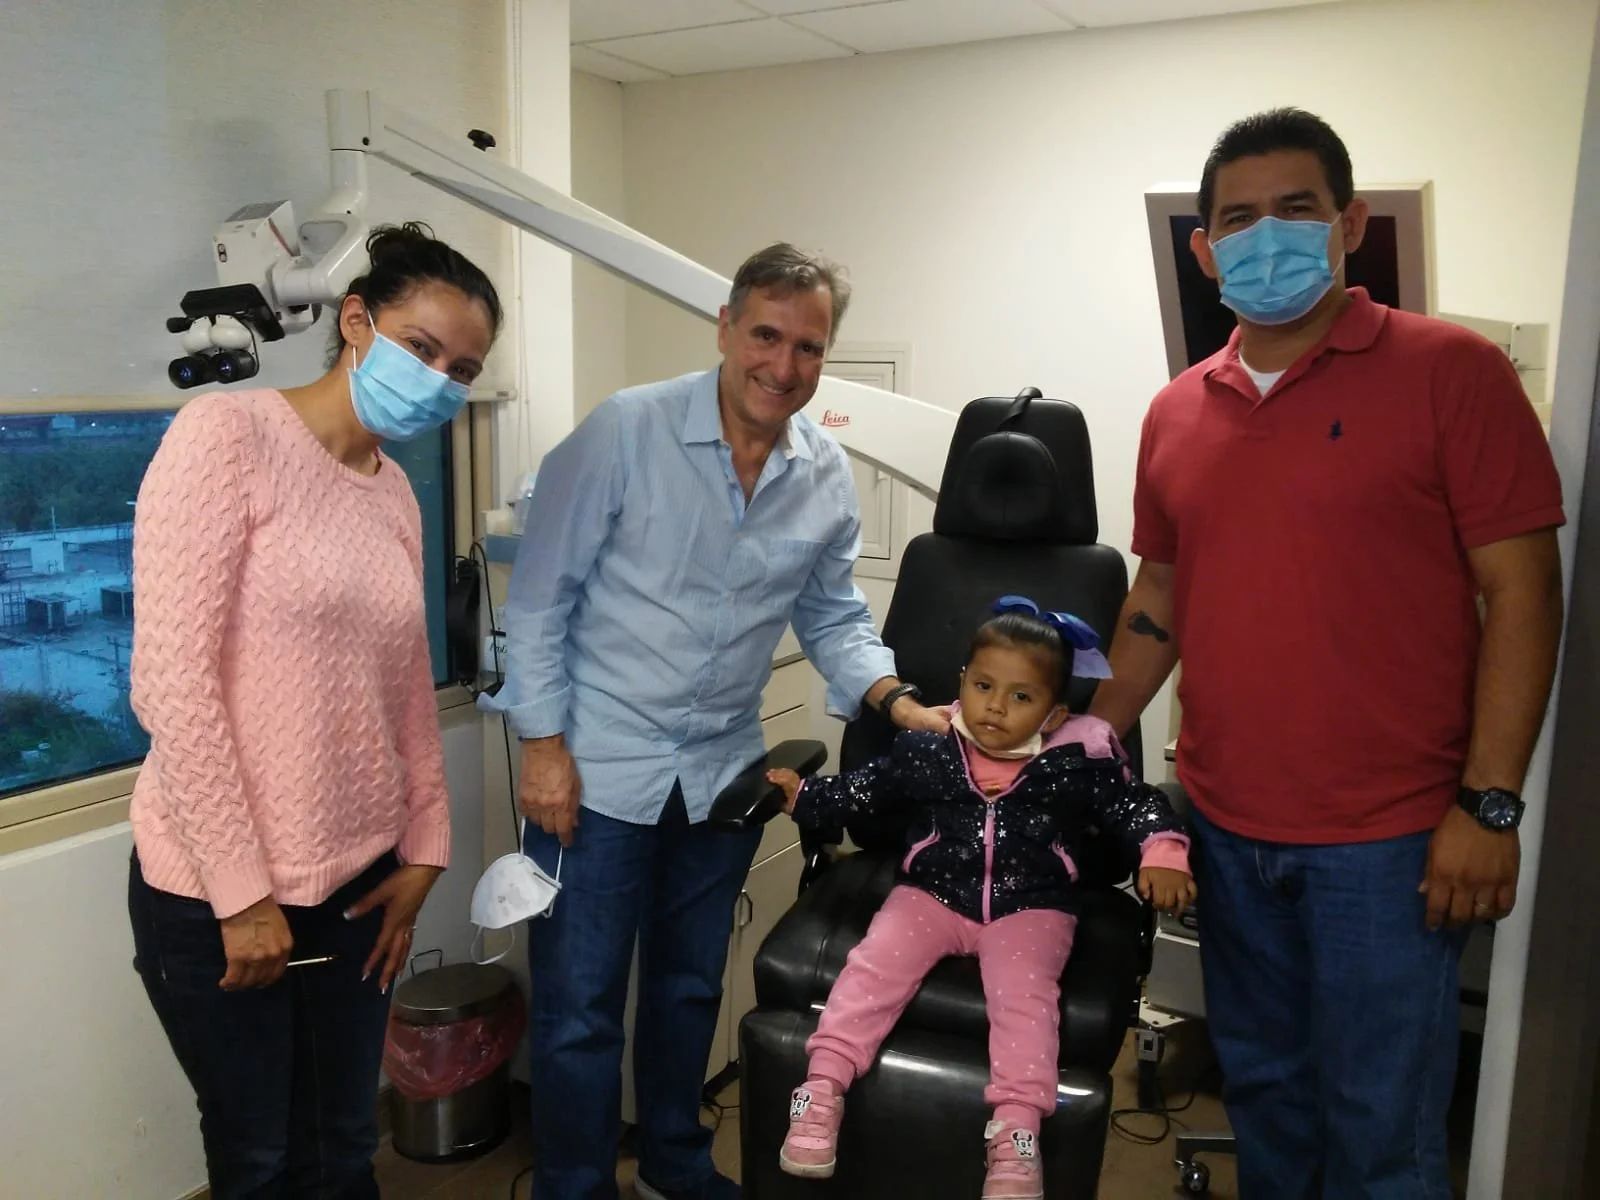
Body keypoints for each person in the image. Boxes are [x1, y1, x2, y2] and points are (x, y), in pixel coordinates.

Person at [1090, 108, 1566, 1199]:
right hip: (1222, 823)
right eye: (1238, 219)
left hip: (1387, 846)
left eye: (1296, 210)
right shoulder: (1175, 411)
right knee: (1264, 1093)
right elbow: (1158, 592)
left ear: (1347, 223)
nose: (1267, 237)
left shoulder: (1451, 372)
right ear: (1204, 250)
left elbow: (1522, 593)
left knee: (1380, 1126)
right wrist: (1087, 732)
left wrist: (1489, 808)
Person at [483, 242, 949, 1200]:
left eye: (809, 348)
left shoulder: (823, 474)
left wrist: (902, 705)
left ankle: (673, 1162)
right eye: (767, 336)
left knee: (691, 988)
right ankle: (575, 1187)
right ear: (727, 328)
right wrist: (541, 748)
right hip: (595, 770)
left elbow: (831, 617)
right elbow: (536, 601)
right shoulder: (626, 431)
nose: (784, 366)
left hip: (721, 777)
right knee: (579, 1009)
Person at [127, 222, 502, 1198]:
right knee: (261, 1159)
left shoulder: (396, 496)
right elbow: (174, 684)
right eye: (421, 348)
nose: (438, 379)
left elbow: (404, 687)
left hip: (358, 884)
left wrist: (425, 850)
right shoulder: (227, 436)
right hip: (216, 889)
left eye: (460, 368)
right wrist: (241, 894)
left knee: (342, 1144)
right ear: (353, 320)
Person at [766, 596, 1194, 1200]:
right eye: (984, 685)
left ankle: (1016, 1135)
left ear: (1053, 714)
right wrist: (806, 796)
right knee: (871, 969)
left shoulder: (1078, 760)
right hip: (932, 894)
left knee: (1025, 1006)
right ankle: (821, 1089)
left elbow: (1137, 805)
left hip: (1032, 907)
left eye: (1021, 696)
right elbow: (870, 789)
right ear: (961, 682)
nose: (995, 706)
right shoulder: (932, 746)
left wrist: (1163, 851)